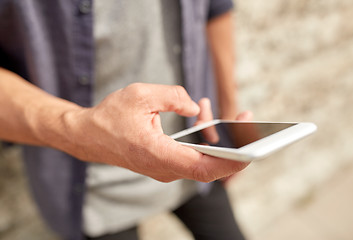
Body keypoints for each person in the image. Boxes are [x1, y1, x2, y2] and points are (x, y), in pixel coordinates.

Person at [0, 0, 250, 240]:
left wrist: (228, 116)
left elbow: (216, 8)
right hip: (93, 189)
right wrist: (81, 130)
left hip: (197, 148)